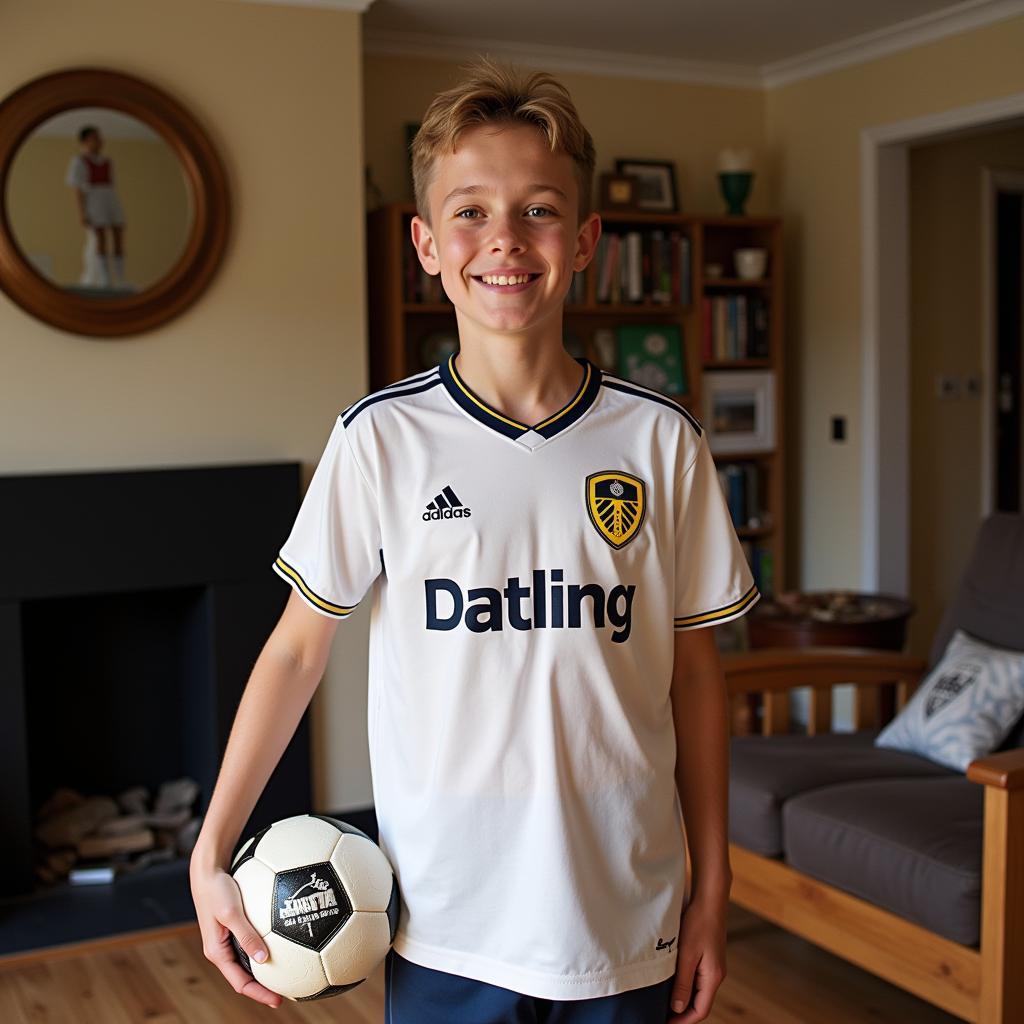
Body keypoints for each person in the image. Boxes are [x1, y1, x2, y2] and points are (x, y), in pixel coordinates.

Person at [190, 56, 759, 1024]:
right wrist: (211, 852)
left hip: (626, 914)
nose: (504, 238)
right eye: (470, 211)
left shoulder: (661, 441)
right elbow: (295, 648)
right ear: (423, 242)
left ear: (584, 241)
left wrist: (715, 885)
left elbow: (696, 674)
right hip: (443, 916)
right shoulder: (378, 439)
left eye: (538, 209)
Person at [65, 125, 127, 288]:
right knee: (100, 237)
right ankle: (105, 279)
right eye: (95, 138)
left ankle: (120, 277)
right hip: (93, 199)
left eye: (100, 137)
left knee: (118, 232)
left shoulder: (107, 161)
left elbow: (111, 184)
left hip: (110, 197)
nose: (100, 141)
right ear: (85, 141)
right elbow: (77, 190)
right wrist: (82, 213)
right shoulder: (79, 161)